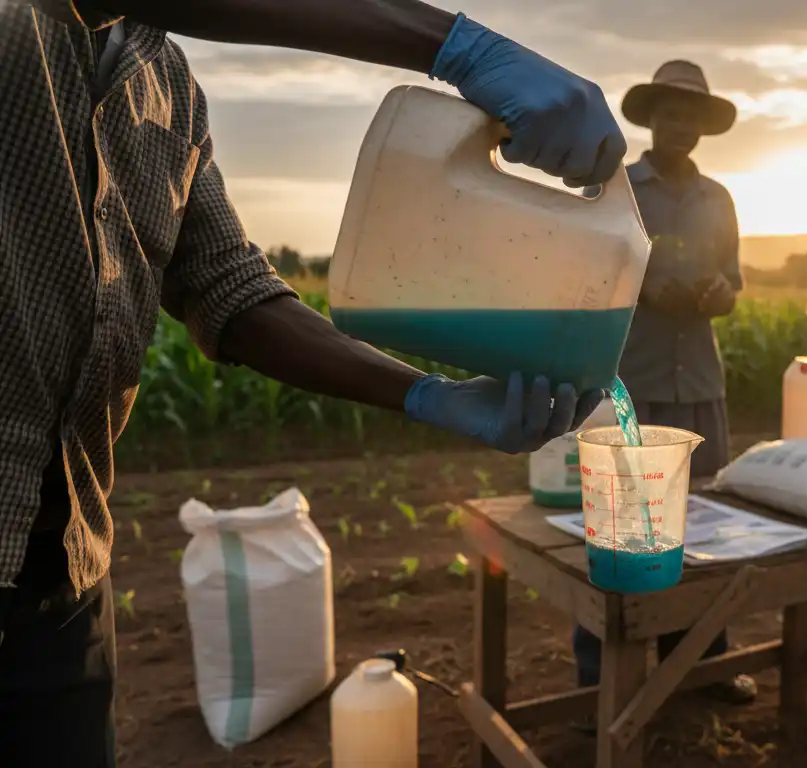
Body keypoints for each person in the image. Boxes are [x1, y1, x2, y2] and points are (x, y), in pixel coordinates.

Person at [1, 1, 623, 764]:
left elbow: (231, 294)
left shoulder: (166, 87)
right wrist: (455, 46)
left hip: (64, 570)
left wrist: (423, 394)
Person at [573, 61, 755, 709]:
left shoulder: (720, 201)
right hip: (632, 383)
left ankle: (703, 668)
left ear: (706, 128)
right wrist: (650, 287)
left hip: (699, 384)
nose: (682, 126)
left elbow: (733, 282)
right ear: (649, 118)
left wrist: (717, 293)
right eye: (671, 113)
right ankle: (601, 682)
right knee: (621, 528)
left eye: (693, 116)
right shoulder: (619, 187)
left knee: (703, 527)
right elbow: (594, 267)